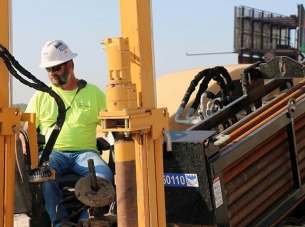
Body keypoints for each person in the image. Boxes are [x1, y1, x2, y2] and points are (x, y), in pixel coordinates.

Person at [21, 39, 113, 227]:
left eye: (56, 68)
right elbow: (27, 128)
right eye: (48, 70)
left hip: (85, 153)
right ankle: (59, 223)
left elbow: (111, 124)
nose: (52, 74)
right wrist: (24, 144)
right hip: (53, 154)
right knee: (45, 175)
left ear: (69, 65)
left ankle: (85, 221)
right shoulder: (42, 95)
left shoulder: (93, 93)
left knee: (104, 177)